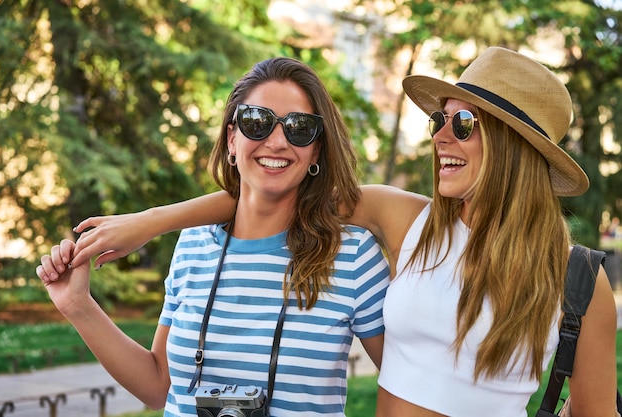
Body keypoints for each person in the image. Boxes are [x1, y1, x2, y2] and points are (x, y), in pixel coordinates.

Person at [61, 47, 617, 417]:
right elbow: (275, 187)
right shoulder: (408, 223)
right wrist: (150, 223)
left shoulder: (579, 282)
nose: (441, 137)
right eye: (438, 120)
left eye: (463, 123)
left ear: (515, 147)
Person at [36, 57, 391, 417]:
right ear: (231, 139)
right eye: (258, 122)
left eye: (300, 128)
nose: (278, 141)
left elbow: (406, 384)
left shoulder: (352, 255)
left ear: (316, 149)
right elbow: (158, 386)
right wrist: (78, 307)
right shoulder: (193, 245)